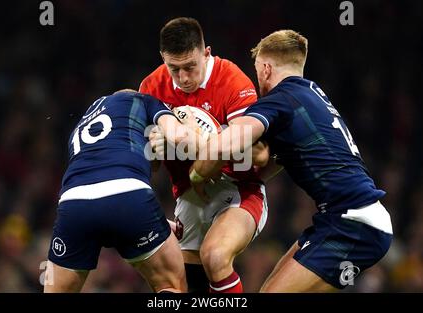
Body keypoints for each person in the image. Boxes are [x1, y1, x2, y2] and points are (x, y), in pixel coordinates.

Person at [190, 30, 393, 292]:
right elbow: (274, 160)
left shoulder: (280, 100)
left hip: (352, 223)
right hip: (341, 218)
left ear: (265, 69)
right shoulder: (312, 94)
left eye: (256, 71)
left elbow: (226, 144)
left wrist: (198, 174)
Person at [140, 17, 269, 293]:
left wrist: (205, 142)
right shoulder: (151, 87)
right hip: (188, 195)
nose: (184, 78)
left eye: (190, 67)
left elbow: (259, 155)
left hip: (238, 190)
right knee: (176, 282)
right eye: (174, 69)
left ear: (206, 53)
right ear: (163, 59)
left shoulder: (232, 80)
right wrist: (153, 149)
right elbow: (149, 167)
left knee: (215, 256)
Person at [44, 90, 198, 293]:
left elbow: (100, 192)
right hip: (128, 195)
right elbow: (179, 138)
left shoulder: (82, 123)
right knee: (170, 286)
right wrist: (193, 126)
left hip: (73, 204)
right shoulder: (142, 101)